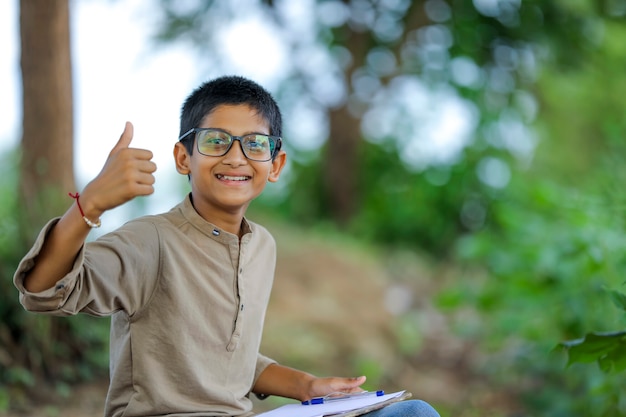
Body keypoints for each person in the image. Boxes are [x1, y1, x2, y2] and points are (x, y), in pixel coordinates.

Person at [14, 75, 440, 417]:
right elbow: (43, 290)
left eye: (255, 144)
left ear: (275, 165)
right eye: (216, 141)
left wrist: (307, 387)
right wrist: (88, 206)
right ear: (184, 158)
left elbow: (226, 360)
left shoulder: (262, 246)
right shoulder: (151, 240)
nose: (236, 157)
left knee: (412, 413)